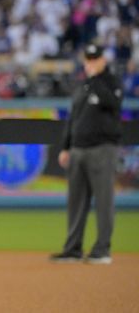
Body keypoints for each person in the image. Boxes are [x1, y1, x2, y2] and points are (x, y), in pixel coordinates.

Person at [50, 44, 123, 264]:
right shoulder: (82, 87)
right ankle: (73, 249)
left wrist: (96, 79)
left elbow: (113, 103)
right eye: (88, 59)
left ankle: (102, 249)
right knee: (76, 202)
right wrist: (65, 147)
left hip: (102, 148)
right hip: (78, 149)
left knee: (103, 201)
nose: (91, 63)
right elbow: (73, 119)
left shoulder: (110, 82)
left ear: (103, 60)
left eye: (95, 59)